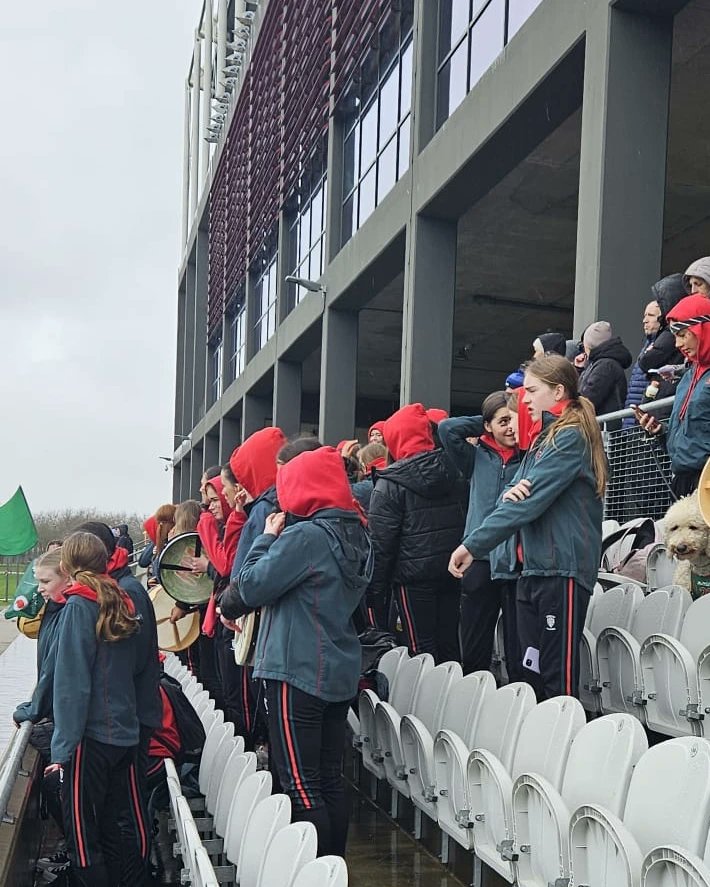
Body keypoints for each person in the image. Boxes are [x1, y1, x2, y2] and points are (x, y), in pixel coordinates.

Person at [238, 446, 373, 856]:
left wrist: (264, 539)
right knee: (330, 778)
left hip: (295, 668)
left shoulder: (306, 536)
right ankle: (333, 869)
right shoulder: (358, 531)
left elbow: (249, 585)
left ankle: (312, 871)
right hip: (336, 667)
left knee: (300, 782)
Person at [449, 355, 606, 701]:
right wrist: (513, 493)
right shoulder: (542, 441)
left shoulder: (569, 437)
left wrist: (472, 545)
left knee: (556, 683)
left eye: (533, 390)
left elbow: (526, 500)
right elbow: (513, 494)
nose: (526, 399)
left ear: (559, 391)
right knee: (530, 675)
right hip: (534, 569)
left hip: (559, 570)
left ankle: (560, 752)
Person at [49, 532, 151, 887]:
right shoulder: (123, 599)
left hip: (90, 738)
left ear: (67, 565)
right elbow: (138, 665)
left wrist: (62, 749)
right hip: (123, 734)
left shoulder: (79, 606)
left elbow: (71, 683)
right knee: (111, 828)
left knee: (81, 836)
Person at [367, 403, 468, 663]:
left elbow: (381, 547)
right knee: (449, 645)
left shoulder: (389, 484)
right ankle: (454, 700)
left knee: (420, 650)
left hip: (412, 581)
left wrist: (376, 598)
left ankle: (427, 703)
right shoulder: (455, 471)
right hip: (451, 572)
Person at [439, 393, 523, 677]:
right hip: (479, 559)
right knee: (475, 643)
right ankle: (476, 695)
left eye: (515, 419)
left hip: (515, 561)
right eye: (503, 421)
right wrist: (488, 421)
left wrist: (512, 415)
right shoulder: (474, 456)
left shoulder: (530, 455)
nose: (511, 427)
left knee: (518, 645)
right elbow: (447, 429)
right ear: (487, 426)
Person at [636, 293, 710, 496]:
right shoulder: (688, 377)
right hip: (684, 480)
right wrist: (662, 432)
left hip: (704, 480)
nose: (677, 344)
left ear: (702, 330)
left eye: (683, 334)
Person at [635, 273, 688, 400]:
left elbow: (646, 361)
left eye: (651, 315)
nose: (645, 320)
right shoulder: (660, 335)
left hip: (664, 395)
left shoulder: (669, 333)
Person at [578, 321, 632, 414]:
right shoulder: (601, 363)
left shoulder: (605, 365)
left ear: (588, 344)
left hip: (602, 426)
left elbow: (589, 398)